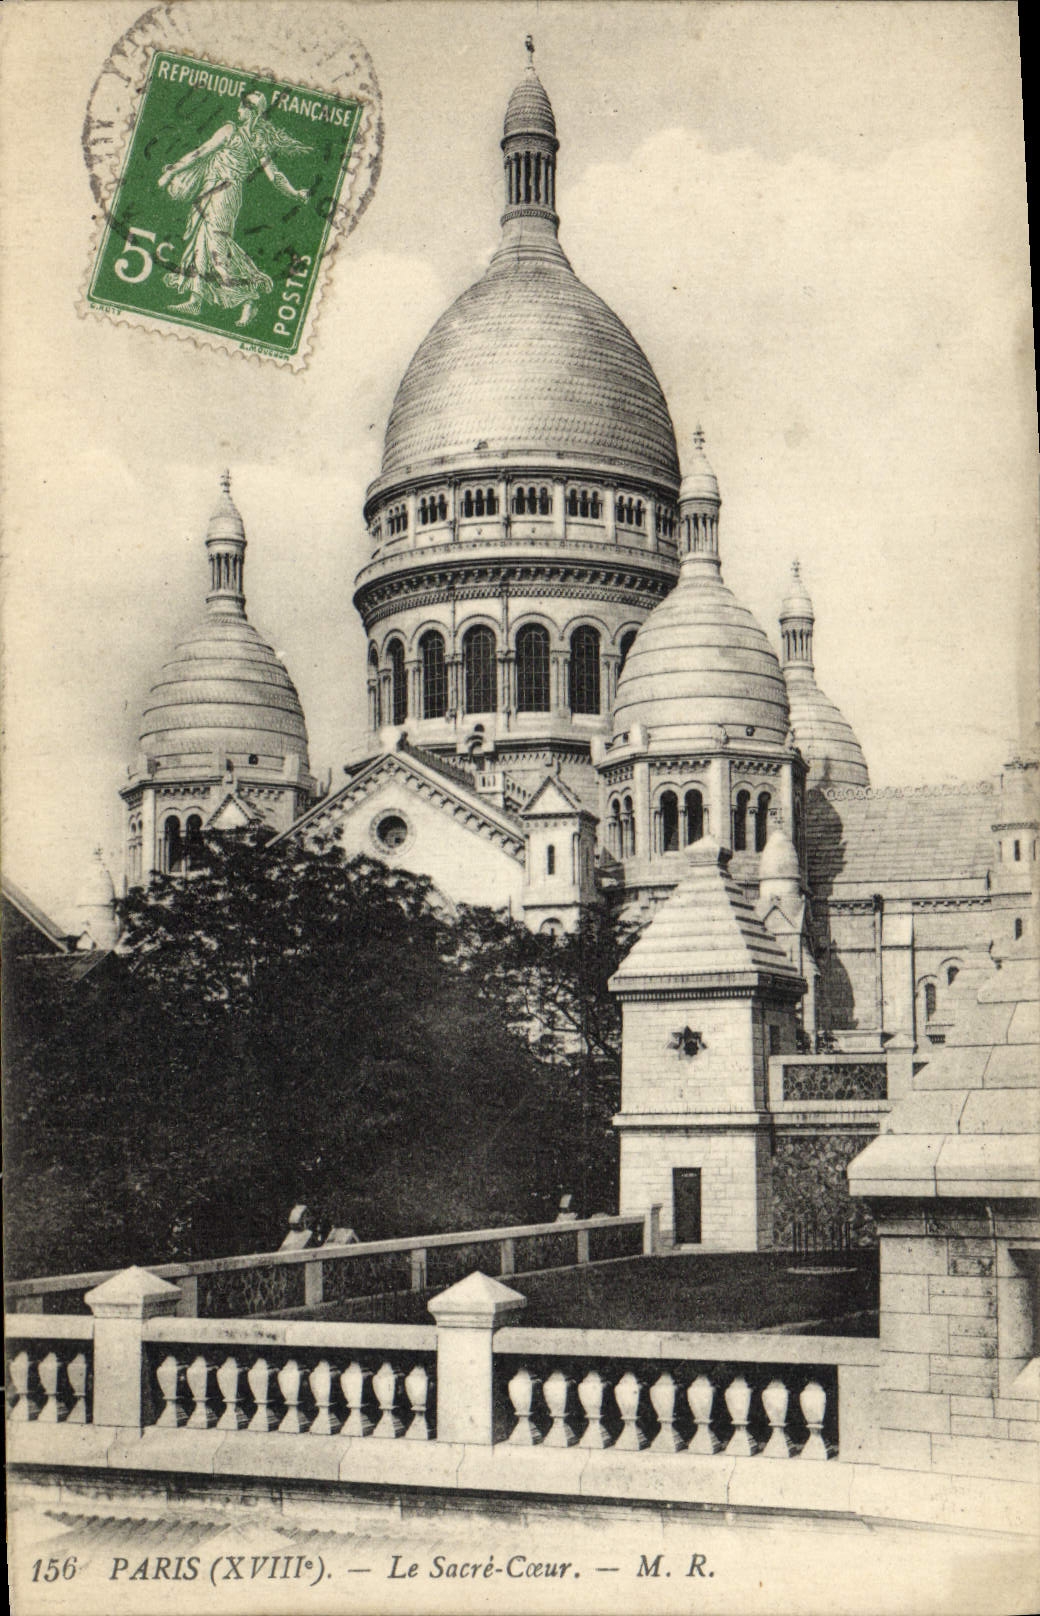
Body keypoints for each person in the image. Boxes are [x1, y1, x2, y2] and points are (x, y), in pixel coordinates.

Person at [157, 91, 310, 327]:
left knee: (218, 247)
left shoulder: (234, 133)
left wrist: (171, 171)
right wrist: (295, 193)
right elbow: (275, 176)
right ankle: (196, 300)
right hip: (212, 192)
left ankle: (249, 299)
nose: (237, 110)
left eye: (241, 107)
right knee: (201, 243)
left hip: (224, 195)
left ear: (249, 111)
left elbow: (200, 153)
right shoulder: (254, 141)